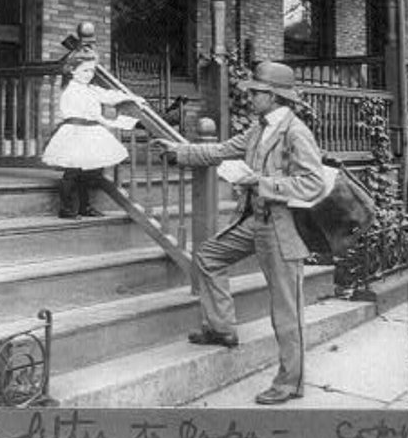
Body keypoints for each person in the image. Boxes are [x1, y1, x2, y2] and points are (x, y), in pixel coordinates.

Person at [154, 61, 325, 406]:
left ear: (274, 96)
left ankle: (290, 382)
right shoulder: (258, 129)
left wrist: (260, 182)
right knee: (208, 256)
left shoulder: (296, 132)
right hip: (256, 222)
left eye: (256, 92)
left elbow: (313, 183)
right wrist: (179, 152)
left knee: (286, 310)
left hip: (282, 228)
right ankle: (221, 328)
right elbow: (219, 150)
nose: (249, 96)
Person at [41, 24, 145, 219]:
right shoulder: (72, 89)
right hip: (75, 131)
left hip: (88, 132)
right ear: (72, 70)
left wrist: (131, 98)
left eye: (91, 71)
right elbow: (94, 114)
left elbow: (108, 95)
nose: (89, 75)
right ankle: (66, 208)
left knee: (88, 173)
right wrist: (117, 122)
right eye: (85, 71)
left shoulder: (89, 88)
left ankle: (85, 206)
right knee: (72, 172)